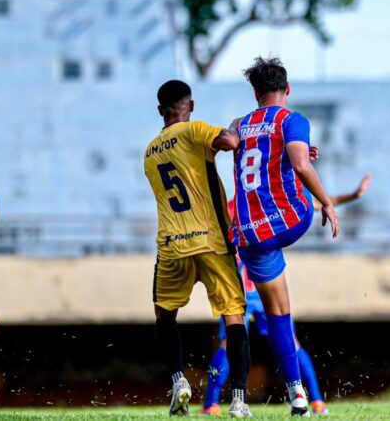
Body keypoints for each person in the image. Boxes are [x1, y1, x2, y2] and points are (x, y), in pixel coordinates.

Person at [202, 175, 372, 416]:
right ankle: (315, 401)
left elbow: (320, 201)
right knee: (289, 342)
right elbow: (319, 202)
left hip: (239, 289)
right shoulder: (270, 205)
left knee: (230, 345)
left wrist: (352, 196)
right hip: (264, 287)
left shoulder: (233, 208)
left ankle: (211, 404)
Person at [230, 56, 339, 416]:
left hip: (250, 235)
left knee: (279, 312)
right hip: (291, 221)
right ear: (287, 89)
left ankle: (296, 394)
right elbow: (299, 164)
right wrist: (326, 202)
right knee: (302, 190)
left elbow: (239, 146)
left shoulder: (239, 124)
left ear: (255, 92)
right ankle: (301, 394)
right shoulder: (293, 120)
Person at [143, 80, 252, 417]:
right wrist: (234, 126)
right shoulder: (195, 130)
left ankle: (178, 381)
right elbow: (231, 142)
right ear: (191, 106)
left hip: (171, 247)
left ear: (160, 111)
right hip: (212, 242)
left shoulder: (149, 151)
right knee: (233, 317)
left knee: (164, 315)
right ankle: (238, 400)